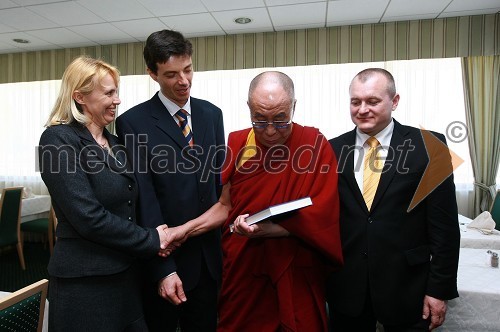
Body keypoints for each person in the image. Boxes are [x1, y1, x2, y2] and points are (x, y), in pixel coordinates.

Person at [162, 71, 344, 331]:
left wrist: (269, 230)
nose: (270, 130)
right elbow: (225, 206)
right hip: (245, 269)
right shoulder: (238, 142)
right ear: (248, 108)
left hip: (294, 266)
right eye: (259, 119)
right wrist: (183, 231)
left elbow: (323, 216)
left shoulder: (314, 144)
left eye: (280, 119)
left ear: (294, 107)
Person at [38, 55, 171, 331]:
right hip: (86, 286)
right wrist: (151, 239)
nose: (117, 100)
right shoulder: (58, 139)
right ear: (80, 97)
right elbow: (88, 217)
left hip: (126, 277)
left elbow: (132, 203)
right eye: (109, 93)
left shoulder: (116, 143)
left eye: (117, 92)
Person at [326, 68, 460, 331]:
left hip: (408, 286)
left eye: (372, 101)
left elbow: (444, 228)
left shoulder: (430, 146)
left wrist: (438, 289)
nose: (362, 109)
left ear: (394, 101)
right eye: (355, 102)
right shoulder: (331, 149)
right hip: (348, 288)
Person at [115, 29, 225, 331]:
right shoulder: (132, 123)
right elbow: (144, 201)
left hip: (209, 260)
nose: (184, 81)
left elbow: (216, 187)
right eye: (171, 74)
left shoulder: (211, 114)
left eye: (188, 69)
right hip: (166, 263)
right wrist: (163, 269)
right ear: (152, 73)